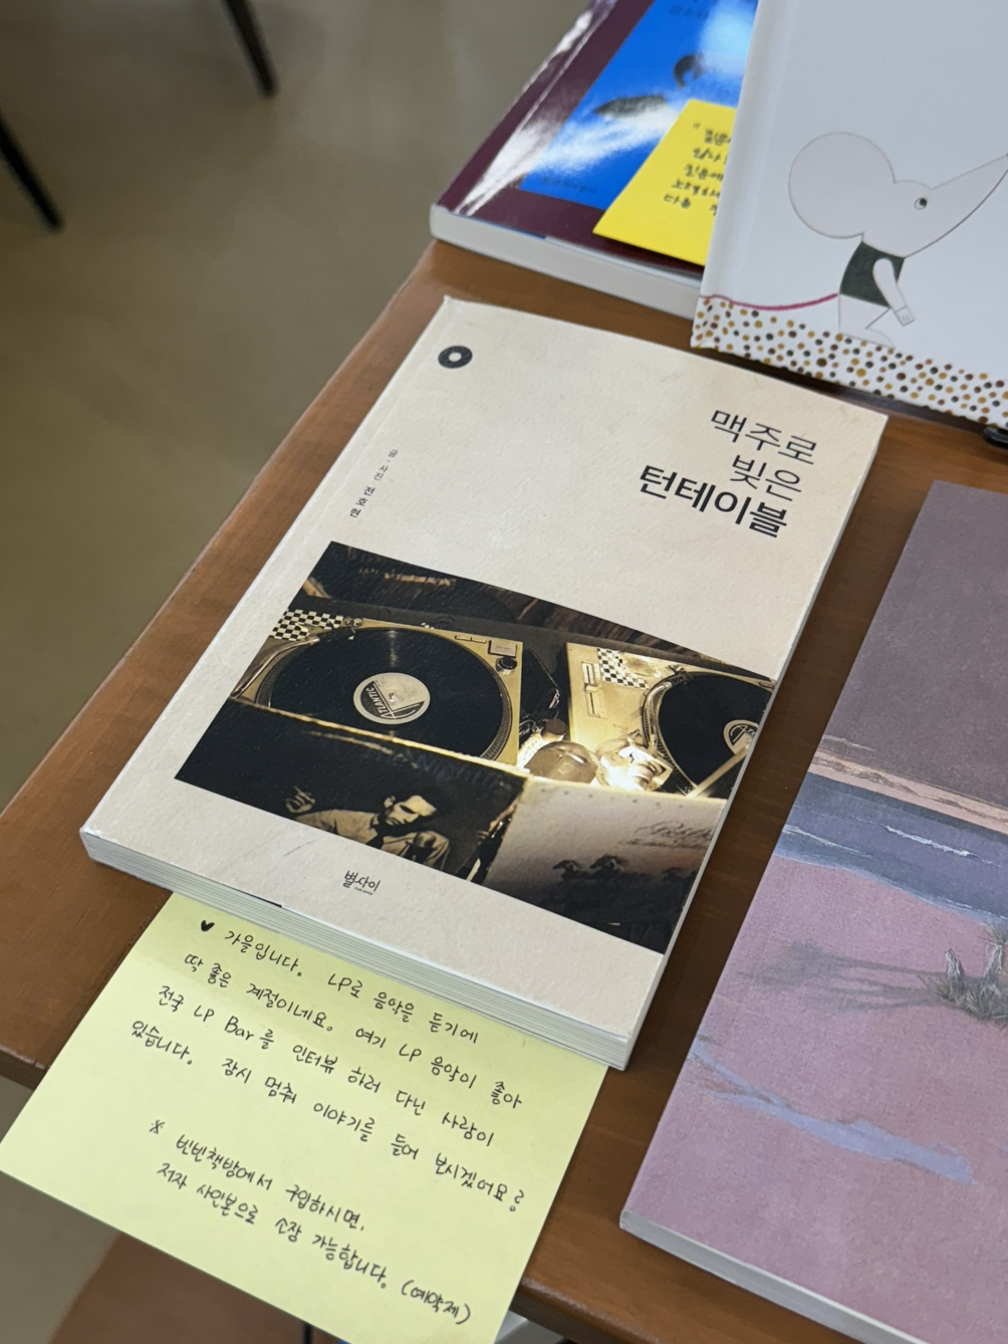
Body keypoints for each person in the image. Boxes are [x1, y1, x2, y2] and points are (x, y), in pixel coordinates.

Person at [286, 786, 450, 869]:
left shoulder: (434, 843)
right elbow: (290, 840)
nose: (409, 820)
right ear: (389, 802)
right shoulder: (339, 818)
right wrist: (295, 815)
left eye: (422, 818)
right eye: (406, 810)